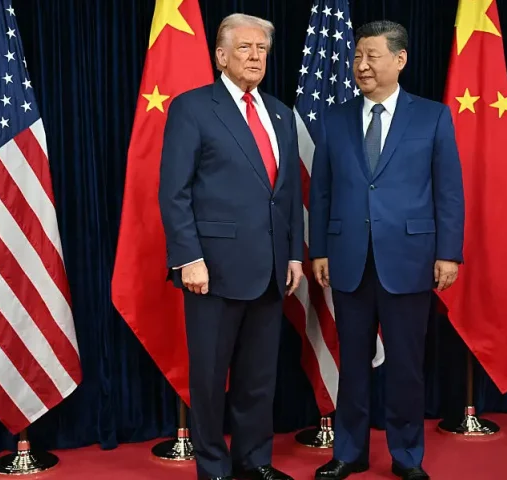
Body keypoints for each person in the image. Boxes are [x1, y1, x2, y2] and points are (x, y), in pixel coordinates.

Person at [309, 21, 465, 480]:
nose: (362, 65)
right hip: (348, 259)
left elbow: (449, 192)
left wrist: (449, 253)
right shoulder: (335, 118)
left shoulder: (432, 117)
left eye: (372, 56)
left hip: (411, 260)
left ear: (400, 60)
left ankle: (407, 456)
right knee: (352, 364)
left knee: (405, 367)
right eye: (358, 56)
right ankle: (349, 453)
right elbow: (321, 192)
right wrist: (319, 248)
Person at [158, 13, 304, 480]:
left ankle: (254, 460)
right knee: (208, 378)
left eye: (262, 48)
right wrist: (188, 258)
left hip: (271, 269)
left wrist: (295, 253)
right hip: (212, 270)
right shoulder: (193, 107)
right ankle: (214, 467)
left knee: (259, 378)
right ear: (220, 56)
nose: (255, 56)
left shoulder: (280, 113)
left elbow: (288, 194)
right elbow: (173, 191)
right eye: (244, 48)